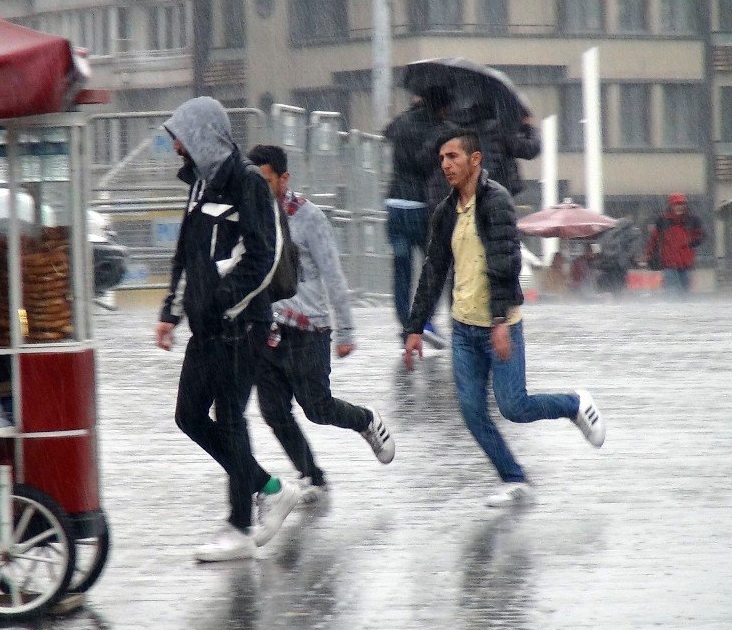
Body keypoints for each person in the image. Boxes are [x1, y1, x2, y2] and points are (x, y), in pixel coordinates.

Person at [402, 126, 606, 508]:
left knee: (514, 406)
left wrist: (499, 322)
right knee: (472, 413)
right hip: (464, 329)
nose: (445, 164)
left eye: (453, 157)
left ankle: (574, 404)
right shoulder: (446, 211)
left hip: (501, 324)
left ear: (475, 160)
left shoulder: (496, 202)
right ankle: (515, 479)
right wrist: (414, 327)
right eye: (442, 158)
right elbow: (433, 269)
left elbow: (505, 263)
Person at [155, 97, 300, 562]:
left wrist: (222, 304)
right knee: (189, 416)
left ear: (201, 134)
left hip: (241, 325)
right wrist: (171, 312)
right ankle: (269, 488)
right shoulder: (199, 184)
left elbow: (263, 257)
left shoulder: (248, 185)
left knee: (230, 419)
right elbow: (188, 255)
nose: (174, 144)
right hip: (208, 326)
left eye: (179, 133)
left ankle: (239, 527)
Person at [247, 145, 395, 501]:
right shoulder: (248, 214)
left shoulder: (308, 217)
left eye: (265, 180)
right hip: (265, 328)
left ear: (284, 179)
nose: (257, 187)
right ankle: (312, 476)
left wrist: (345, 329)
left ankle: (364, 420)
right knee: (273, 410)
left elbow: (332, 273)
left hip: (307, 329)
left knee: (317, 408)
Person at [383, 91, 451, 347]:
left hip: (394, 203)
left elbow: (387, 132)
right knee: (435, 266)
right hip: (421, 205)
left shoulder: (401, 122)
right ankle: (425, 321)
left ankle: (405, 325)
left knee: (401, 269)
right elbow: (424, 163)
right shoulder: (437, 128)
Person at [643, 193, 704, 294]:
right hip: (670, 263)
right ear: (671, 205)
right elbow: (654, 239)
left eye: (682, 204)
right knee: (671, 292)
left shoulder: (692, 220)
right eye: (677, 204)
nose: (679, 207)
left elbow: (700, 235)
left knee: (684, 293)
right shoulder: (662, 221)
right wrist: (648, 254)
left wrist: (690, 242)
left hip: (686, 263)